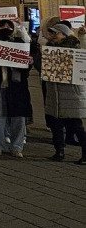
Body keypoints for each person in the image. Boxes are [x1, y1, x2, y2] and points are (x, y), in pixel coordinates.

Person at [0, 19, 32, 158]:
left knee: (18, 118)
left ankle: (17, 146)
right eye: (2, 26)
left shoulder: (19, 43)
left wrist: (28, 62)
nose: (5, 28)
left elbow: (27, 62)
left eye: (8, 26)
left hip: (16, 86)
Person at [43, 23, 86, 164]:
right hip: (54, 93)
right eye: (52, 33)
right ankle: (59, 152)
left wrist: (83, 36)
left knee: (75, 125)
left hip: (70, 94)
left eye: (56, 33)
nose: (53, 36)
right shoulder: (48, 49)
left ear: (64, 34)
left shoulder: (75, 47)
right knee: (56, 125)